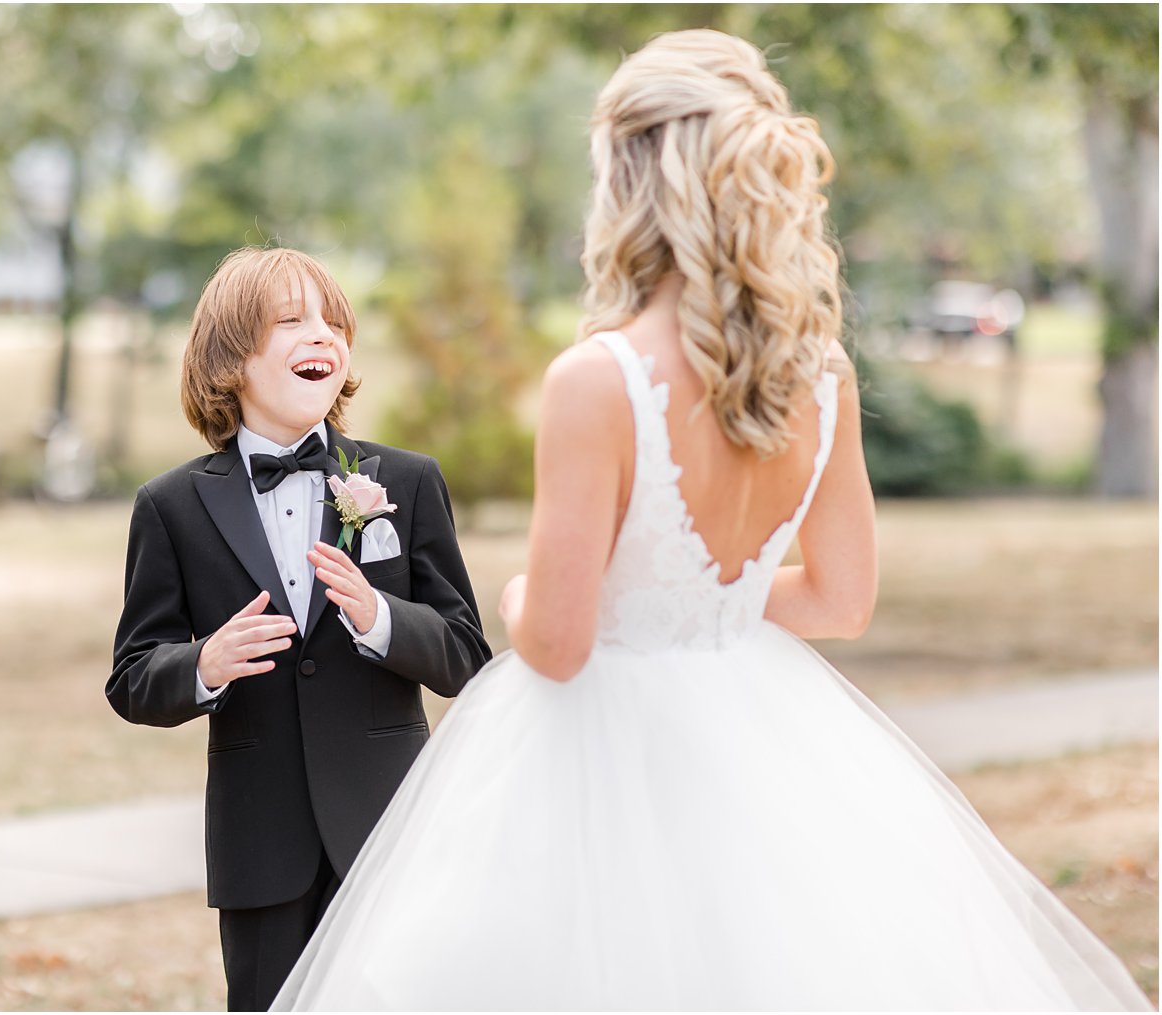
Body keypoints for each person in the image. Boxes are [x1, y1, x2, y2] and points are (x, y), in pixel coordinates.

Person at [271, 30, 1150, 1011]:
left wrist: (525, 592)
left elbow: (557, 644)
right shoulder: (817, 376)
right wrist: (702, 601)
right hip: (763, 732)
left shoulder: (597, 379)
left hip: (591, 754)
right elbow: (837, 598)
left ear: (629, 178)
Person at [106, 246, 492, 1011]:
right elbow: (132, 677)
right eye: (291, 321)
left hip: (388, 830)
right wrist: (205, 663)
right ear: (230, 360)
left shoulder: (405, 481)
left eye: (334, 322)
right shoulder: (172, 505)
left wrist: (381, 618)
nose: (322, 335)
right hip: (260, 842)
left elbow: (467, 656)